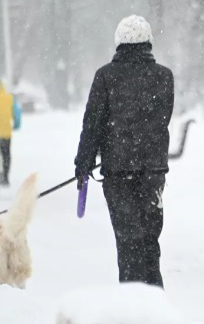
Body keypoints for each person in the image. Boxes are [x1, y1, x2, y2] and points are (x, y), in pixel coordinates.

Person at [74, 15, 174, 288]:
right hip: (153, 173)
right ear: (148, 42)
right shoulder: (164, 77)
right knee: (150, 243)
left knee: (128, 244)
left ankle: (131, 301)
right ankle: (154, 300)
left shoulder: (106, 76)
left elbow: (92, 124)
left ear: (119, 43)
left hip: (118, 174)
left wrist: (84, 163)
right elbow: (160, 121)